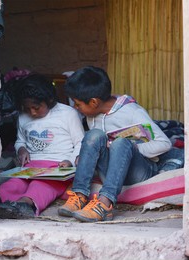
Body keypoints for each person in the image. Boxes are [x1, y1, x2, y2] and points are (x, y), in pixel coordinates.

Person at [58, 66, 172, 222]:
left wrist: (131, 148)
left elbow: (164, 143)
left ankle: (104, 203)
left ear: (93, 102)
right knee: (93, 135)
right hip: (111, 170)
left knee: (121, 143)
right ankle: (79, 195)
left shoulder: (132, 112)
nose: (75, 108)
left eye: (78, 105)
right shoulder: (92, 116)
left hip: (139, 171)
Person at [0, 73, 85, 219]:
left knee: (41, 185)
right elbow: (20, 140)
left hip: (58, 169)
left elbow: (81, 142)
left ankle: (23, 205)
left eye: (36, 107)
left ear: (49, 100)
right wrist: (22, 149)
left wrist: (70, 161)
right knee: (14, 184)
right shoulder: (23, 116)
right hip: (30, 168)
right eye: (27, 108)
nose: (32, 112)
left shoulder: (68, 114)